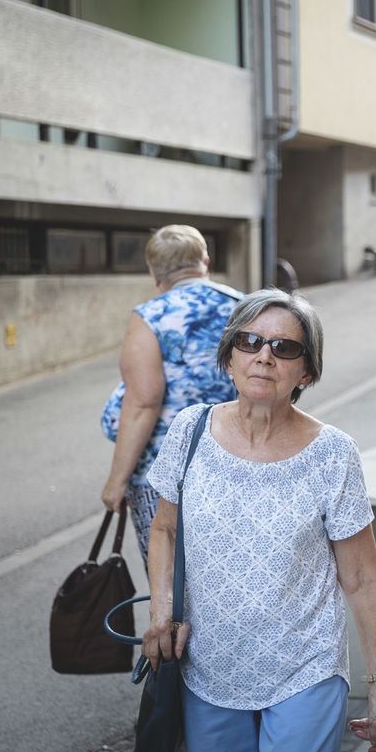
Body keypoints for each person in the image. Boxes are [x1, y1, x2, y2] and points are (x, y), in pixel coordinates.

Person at [141, 289, 376, 752]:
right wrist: (163, 611)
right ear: (229, 357)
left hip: (306, 667)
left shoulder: (332, 453)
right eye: (250, 342)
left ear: (307, 370)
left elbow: (361, 575)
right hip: (208, 666)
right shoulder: (189, 429)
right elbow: (164, 529)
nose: (264, 356)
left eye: (284, 348)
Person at [99, 224, 242, 562]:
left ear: (154, 273)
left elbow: (143, 402)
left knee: (168, 579)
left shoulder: (151, 317)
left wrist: (117, 481)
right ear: (205, 261)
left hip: (164, 473)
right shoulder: (246, 307)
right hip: (237, 460)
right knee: (232, 569)